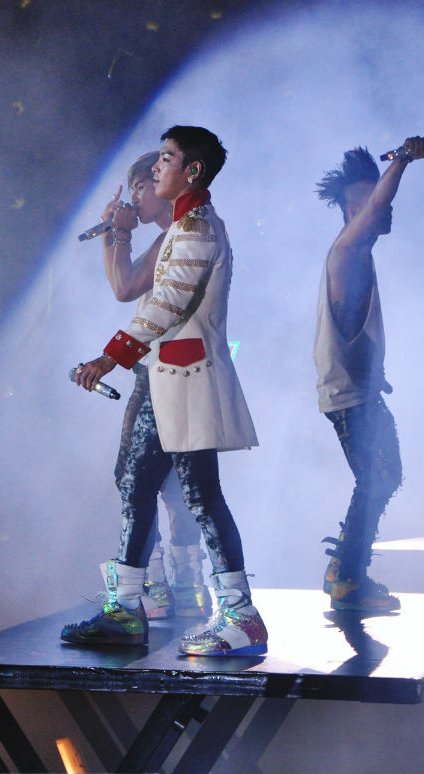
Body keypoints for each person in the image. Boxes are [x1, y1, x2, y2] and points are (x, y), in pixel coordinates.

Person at [61, 125, 265, 657]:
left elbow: (168, 303)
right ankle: (126, 608)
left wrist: (110, 356)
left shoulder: (198, 227)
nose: (156, 167)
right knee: (135, 483)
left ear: (192, 171)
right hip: (165, 379)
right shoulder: (182, 226)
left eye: (167, 158)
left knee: (200, 494)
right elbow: (136, 291)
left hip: (187, 381)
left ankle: (240, 615)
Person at [313, 127, 424, 612]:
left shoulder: (359, 255)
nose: (382, 208)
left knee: (383, 475)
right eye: (367, 204)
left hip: (358, 389)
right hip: (347, 395)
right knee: (378, 475)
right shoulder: (347, 250)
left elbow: (349, 327)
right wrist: (401, 160)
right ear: (351, 214)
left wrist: (372, 367)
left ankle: (345, 570)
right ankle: (346, 577)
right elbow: (380, 201)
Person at [94, 150, 212, 620]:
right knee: (173, 483)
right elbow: (121, 286)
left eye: (142, 186)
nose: (136, 198)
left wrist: (120, 232)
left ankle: (154, 587)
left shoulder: (176, 235)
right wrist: (114, 233)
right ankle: (184, 586)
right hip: (170, 368)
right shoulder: (175, 234)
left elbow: (126, 288)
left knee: (135, 478)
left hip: (164, 369)